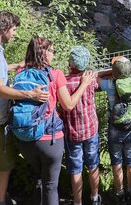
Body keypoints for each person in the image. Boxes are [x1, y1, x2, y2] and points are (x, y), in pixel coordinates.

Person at [0, 11, 48, 205]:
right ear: (5, 29)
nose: (14, 34)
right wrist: (30, 94)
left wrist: (15, 66)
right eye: (13, 30)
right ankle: (1, 201)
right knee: (5, 165)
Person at [18, 36, 96, 205]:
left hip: (24, 137)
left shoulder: (21, 73)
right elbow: (68, 105)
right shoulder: (55, 74)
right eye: (52, 51)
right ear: (44, 53)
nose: (53, 54)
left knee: (38, 177)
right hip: (49, 138)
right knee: (50, 186)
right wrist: (84, 83)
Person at [60, 45, 103, 205]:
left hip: (72, 133)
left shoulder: (63, 83)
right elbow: (99, 79)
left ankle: (77, 202)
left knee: (75, 169)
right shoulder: (91, 80)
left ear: (70, 65)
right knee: (93, 164)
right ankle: (94, 197)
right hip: (91, 130)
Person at [100, 56, 131, 204]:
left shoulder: (109, 84)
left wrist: (105, 73)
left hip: (115, 129)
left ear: (114, 72)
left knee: (116, 161)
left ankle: (119, 193)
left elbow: (95, 79)